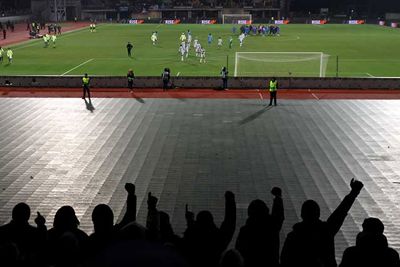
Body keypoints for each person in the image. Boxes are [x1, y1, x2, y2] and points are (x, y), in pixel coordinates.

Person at [280, 179, 364, 267]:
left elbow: (284, 260)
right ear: (318, 214)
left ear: (302, 215)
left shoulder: (293, 236)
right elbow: (340, 213)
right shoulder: (326, 231)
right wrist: (354, 192)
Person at [235, 187, 284, 267]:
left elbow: (239, 249)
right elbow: (279, 215)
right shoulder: (272, 227)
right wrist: (278, 197)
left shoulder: (246, 230)